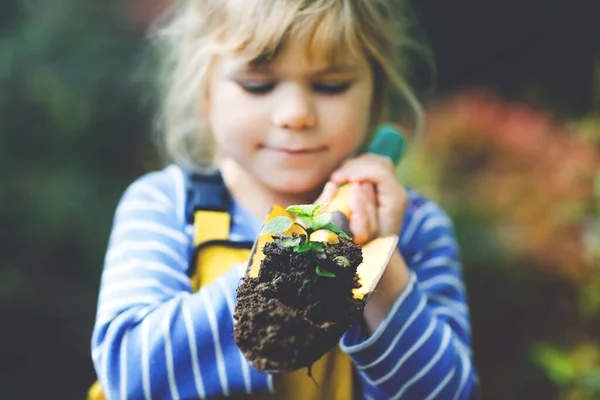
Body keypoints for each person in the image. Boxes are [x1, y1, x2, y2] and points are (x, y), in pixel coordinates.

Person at [90, 0, 479, 398]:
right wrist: (289, 273)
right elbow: (130, 378)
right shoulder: (167, 205)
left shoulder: (416, 227)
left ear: (375, 95)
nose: (295, 114)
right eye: (258, 84)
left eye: (331, 85)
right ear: (204, 92)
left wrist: (381, 265)